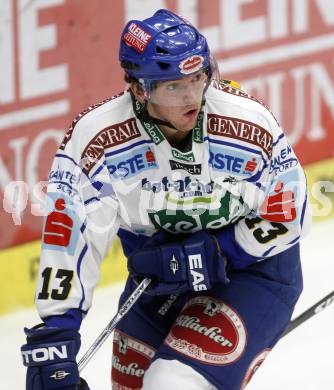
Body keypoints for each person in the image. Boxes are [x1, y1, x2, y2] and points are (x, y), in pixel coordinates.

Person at [21, 9, 312, 390]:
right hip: (159, 276)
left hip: (252, 273)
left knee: (172, 382)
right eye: (174, 86)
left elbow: (290, 213)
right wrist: (56, 333)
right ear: (140, 89)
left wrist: (221, 251)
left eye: (198, 77)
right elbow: (69, 232)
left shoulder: (247, 124)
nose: (193, 95)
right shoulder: (98, 139)